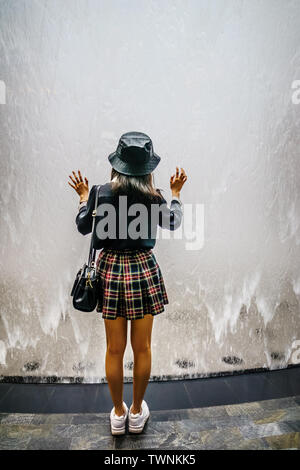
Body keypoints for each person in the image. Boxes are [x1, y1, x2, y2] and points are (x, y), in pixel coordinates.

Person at [68, 131, 187, 435]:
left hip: (109, 270)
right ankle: (136, 412)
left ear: (117, 164)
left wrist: (83, 199)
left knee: (114, 350)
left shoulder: (99, 191)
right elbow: (173, 221)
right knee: (143, 348)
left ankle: (118, 414)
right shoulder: (155, 195)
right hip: (142, 270)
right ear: (147, 168)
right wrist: (175, 193)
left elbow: (84, 226)